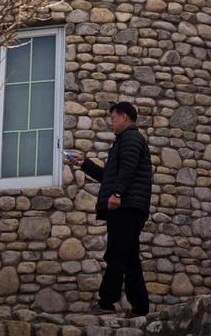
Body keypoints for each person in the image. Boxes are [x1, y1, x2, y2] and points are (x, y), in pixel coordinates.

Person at [65, 101, 154, 317]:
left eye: (112, 118)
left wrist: (117, 195)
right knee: (129, 257)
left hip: (125, 206)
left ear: (124, 117)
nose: (111, 123)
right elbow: (109, 177)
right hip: (130, 206)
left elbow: (128, 169)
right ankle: (140, 307)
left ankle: (106, 303)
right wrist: (85, 163)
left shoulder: (131, 138)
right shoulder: (125, 140)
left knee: (115, 254)